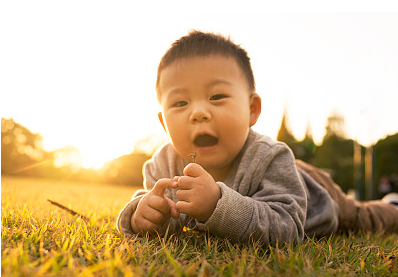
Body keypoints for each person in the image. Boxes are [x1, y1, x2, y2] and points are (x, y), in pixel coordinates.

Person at [117, 31, 398, 245]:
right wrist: (143, 216)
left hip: (314, 191)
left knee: (363, 218)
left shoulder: (270, 157)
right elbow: (158, 213)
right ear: (163, 122)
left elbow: (286, 228)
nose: (198, 113)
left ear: (252, 110)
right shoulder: (163, 164)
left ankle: (393, 206)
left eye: (216, 97)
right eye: (180, 103)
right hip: (286, 171)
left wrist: (217, 204)